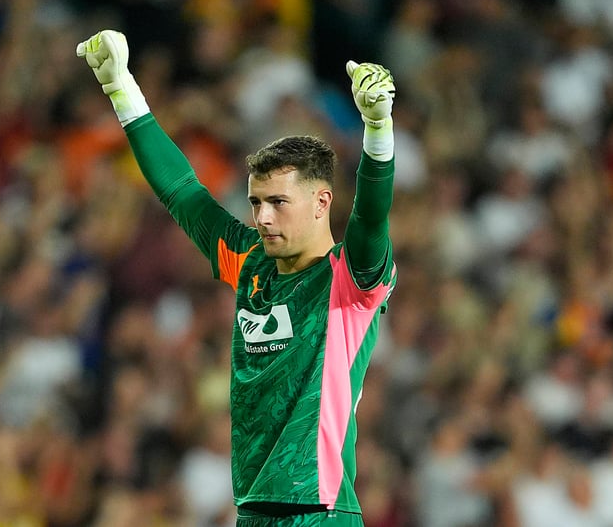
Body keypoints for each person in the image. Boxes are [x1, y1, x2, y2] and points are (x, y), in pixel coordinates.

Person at [77, 30, 398, 527]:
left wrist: (377, 130)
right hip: (252, 511)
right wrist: (122, 88)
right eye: (256, 202)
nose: (263, 217)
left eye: (278, 203)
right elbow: (182, 192)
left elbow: (371, 218)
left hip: (320, 511)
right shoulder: (248, 261)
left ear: (321, 202)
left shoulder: (350, 281)